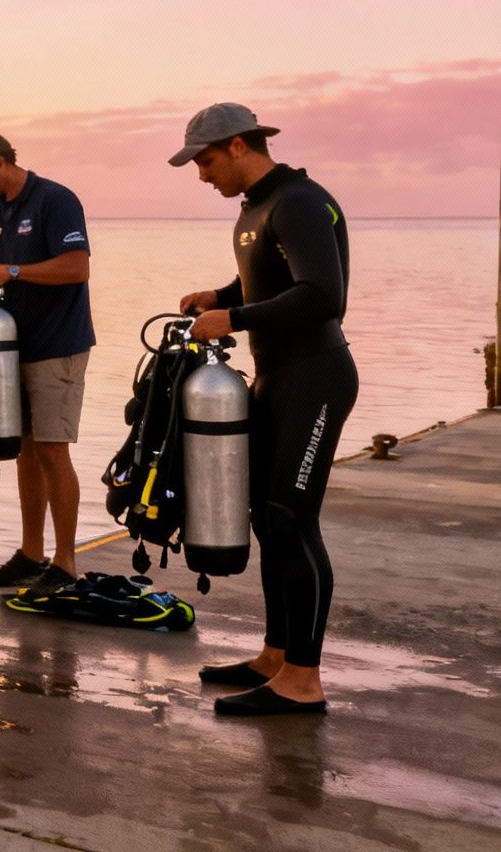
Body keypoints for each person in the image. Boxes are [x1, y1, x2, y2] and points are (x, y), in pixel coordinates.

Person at [170, 103, 356, 717]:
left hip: (316, 376)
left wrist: (237, 317)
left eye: (206, 160)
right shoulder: (258, 209)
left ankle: (304, 680)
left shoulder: (299, 200)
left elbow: (323, 296)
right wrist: (220, 295)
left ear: (241, 145)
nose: (202, 175)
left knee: (291, 519)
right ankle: (276, 656)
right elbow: (271, 277)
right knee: (267, 519)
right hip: (276, 376)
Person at [0, 128, 94, 595]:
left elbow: (77, 267)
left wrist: (12, 270)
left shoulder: (55, 199)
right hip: (12, 348)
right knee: (26, 451)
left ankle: (66, 562)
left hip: (59, 344)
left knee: (54, 450)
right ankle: (31, 554)